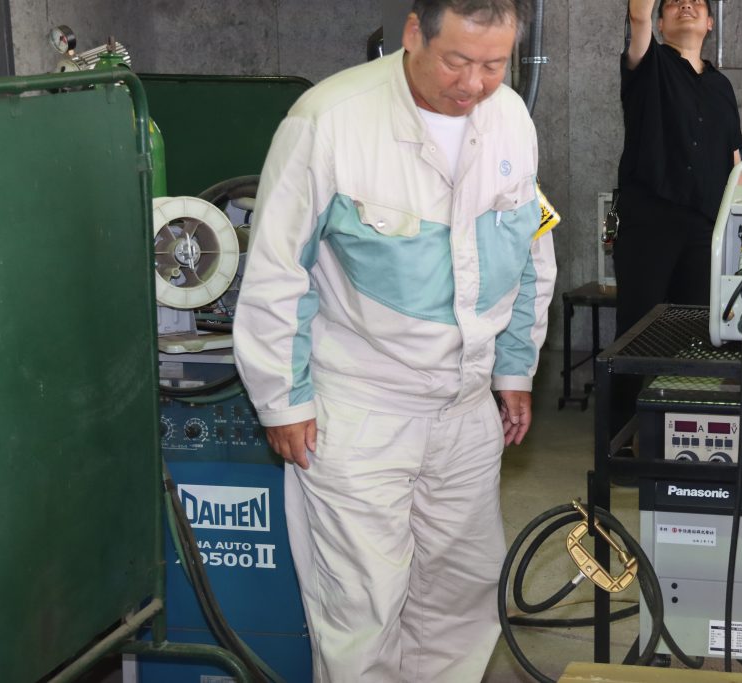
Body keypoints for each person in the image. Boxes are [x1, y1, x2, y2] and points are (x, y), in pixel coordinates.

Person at [232, 1, 554, 680]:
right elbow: (277, 270)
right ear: (414, 34)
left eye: (494, 64)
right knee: (362, 606)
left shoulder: (510, 120)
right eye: (457, 61)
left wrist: (514, 368)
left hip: (465, 408)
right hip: (361, 410)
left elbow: (531, 250)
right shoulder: (329, 121)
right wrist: (283, 400)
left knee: (461, 597)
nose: (473, 84)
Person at [610, 0, 742, 435]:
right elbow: (638, 18)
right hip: (649, 224)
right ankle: (619, 441)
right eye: (673, 3)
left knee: (697, 334)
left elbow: (735, 159)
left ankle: (683, 435)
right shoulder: (649, 65)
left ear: (710, 23)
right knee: (637, 333)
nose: (686, 4)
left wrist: (741, 229)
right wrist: (641, 16)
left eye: (697, 2)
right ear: (661, 21)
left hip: (705, 227)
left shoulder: (721, 86)